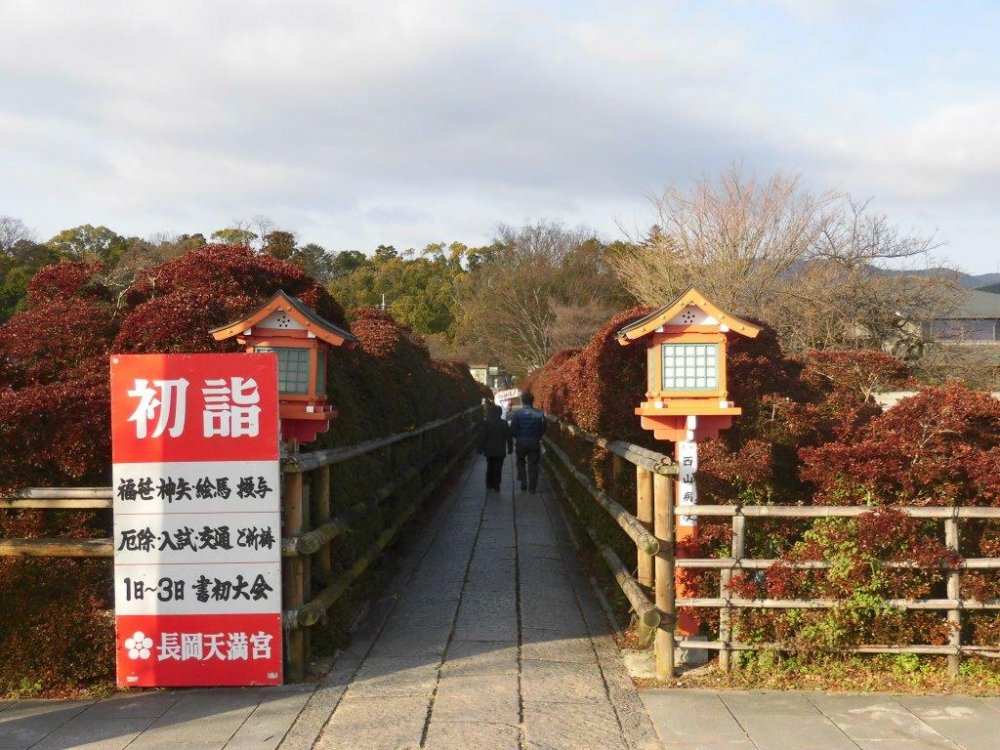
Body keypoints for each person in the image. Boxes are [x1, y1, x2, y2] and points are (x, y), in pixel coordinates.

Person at [509, 391, 546, 493]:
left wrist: (517, 437)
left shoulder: (517, 414)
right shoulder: (539, 413)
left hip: (521, 442)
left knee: (520, 461)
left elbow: (513, 429)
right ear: (532, 401)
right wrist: (538, 436)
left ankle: (523, 482)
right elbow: (543, 427)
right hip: (534, 442)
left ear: (522, 401)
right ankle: (532, 487)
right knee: (533, 463)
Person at [478, 403, 512, 492]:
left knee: (490, 466)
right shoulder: (504, 423)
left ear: (491, 413)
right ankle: (497, 484)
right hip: (500, 450)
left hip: (489, 450)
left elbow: (482, 436)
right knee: (498, 468)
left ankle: (489, 483)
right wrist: (510, 448)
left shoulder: (487, 423)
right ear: (500, 413)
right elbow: (509, 437)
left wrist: (480, 448)